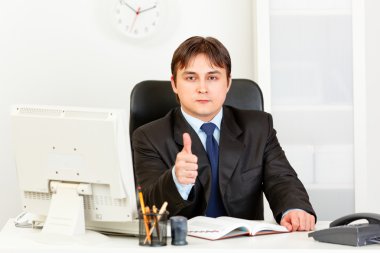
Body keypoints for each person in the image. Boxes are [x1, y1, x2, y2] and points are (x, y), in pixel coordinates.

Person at [132, 36, 316, 232]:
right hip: (186, 246)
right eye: (191, 78)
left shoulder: (259, 127)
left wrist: (294, 209)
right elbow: (149, 206)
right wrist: (176, 180)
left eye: (212, 77)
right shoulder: (148, 137)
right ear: (174, 84)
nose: (202, 88)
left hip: (244, 244)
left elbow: (282, 179)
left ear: (228, 83)